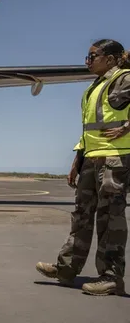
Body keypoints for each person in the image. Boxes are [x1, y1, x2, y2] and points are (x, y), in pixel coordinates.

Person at [36, 39, 130, 296]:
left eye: (92, 56)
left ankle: (111, 277)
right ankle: (67, 269)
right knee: (81, 216)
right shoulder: (94, 87)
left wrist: (127, 126)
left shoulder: (124, 78)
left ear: (110, 59)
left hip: (114, 158)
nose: (87, 61)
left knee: (110, 219)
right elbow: (89, 129)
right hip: (91, 158)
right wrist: (77, 161)